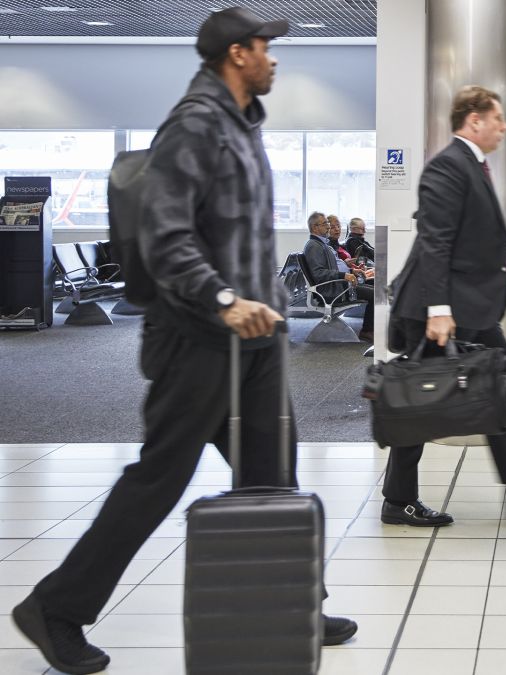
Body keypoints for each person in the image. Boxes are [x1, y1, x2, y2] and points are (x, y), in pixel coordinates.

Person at [10, 9, 357, 674]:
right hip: (198, 336)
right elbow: (165, 238)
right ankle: (54, 608)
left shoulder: (243, 124)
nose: (274, 58)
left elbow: (242, 236)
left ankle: (296, 603)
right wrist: (224, 299)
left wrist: (265, 304)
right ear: (237, 54)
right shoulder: (194, 125)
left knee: (273, 476)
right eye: (265, 46)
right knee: (159, 478)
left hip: (254, 339)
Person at [383, 85, 506, 526]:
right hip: (438, 309)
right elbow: (436, 242)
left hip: (470, 307)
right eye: (497, 118)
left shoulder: (471, 165)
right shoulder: (448, 166)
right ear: (474, 121)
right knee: (419, 402)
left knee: (497, 383)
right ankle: (397, 501)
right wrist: (438, 310)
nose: (504, 127)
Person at [303, 211, 374, 341]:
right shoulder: (314, 246)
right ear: (314, 227)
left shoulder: (321, 244)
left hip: (337, 286)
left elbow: (331, 268)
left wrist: (352, 271)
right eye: (325, 223)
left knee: (375, 289)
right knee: (375, 294)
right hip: (333, 291)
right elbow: (318, 273)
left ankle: (370, 328)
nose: (328, 226)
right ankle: (367, 331)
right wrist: (344, 275)